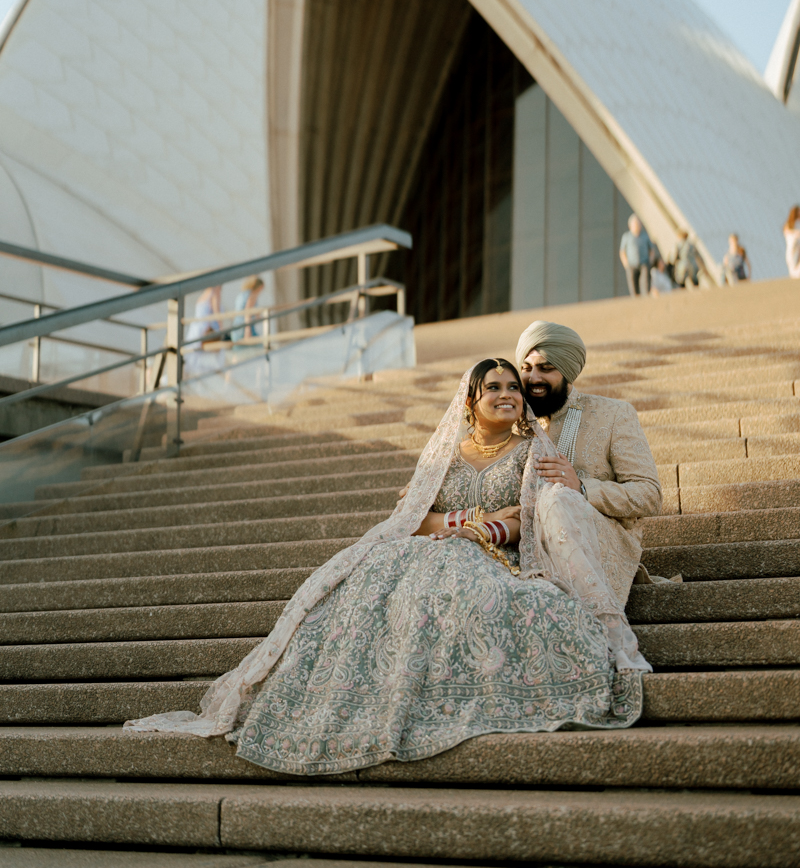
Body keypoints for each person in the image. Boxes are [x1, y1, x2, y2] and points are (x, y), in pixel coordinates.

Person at [124, 358, 651, 771]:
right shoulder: (444, 453)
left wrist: (482, 526)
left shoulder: (534, 448)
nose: (508, 394)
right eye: (494, 387)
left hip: (490, 554)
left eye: (514, 387)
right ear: (471, 399)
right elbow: (414, 517)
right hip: (429, 547)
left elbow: (527, 514)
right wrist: (460, 520)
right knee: (364, 590)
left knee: (471, 601)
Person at [516, 320, 662, 607]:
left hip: (599, 537)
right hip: (523, 537)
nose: (533, 378)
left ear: (568, 371)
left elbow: (649, 495)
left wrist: (582, 488)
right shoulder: (513, 422)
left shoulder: (613, 414)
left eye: (546, 368)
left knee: (558, 500)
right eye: (526, 368)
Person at [619, 215, 654, 296]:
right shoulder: (626, 237)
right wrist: (626, 264)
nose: (637, 226)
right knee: (633, 288)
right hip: (631, 265)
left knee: (645, 284)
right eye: (635, 224)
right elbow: (622, 252)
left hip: (644, 264)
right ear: (630, 226)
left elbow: (651, 249)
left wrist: (650, 261)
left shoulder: (645, 236)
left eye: (638, 224)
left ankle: (646, 300)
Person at [230, 276, 264, 342]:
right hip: (245, 327)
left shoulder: (243, 294)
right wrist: (247, 331)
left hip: (237, 326)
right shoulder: (252, 295)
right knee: (259, 347)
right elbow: (247, 313)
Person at [784, 207, 800, 279]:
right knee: (794, 275)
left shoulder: (793, 225)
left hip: (795, 252)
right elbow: (793, 236)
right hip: (792, 253)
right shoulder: (789, 226)